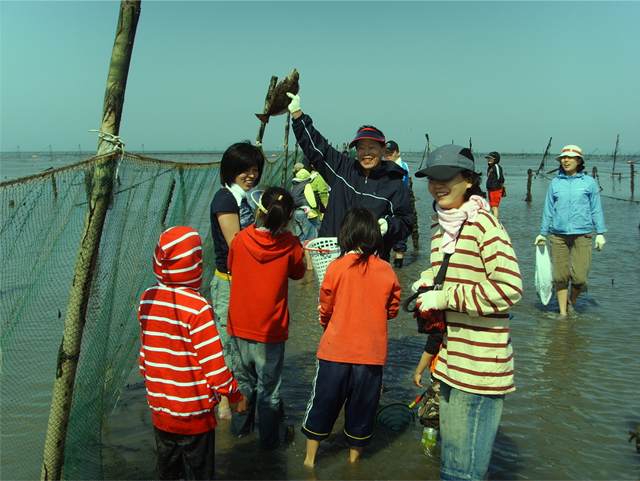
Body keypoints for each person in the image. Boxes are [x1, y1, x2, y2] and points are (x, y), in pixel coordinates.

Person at [412, 145, 523, 480]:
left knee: (461, 473)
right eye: (431, 178)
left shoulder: (484, 225)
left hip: (478, 368)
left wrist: (447, 297)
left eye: (446, 177)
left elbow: (510, 289)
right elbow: (446, 271)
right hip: (447, 363)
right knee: (452, 465)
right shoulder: (438, 227)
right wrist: (429, 280)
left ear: (470, 181)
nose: (437, 185)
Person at [139, 226, 247, 480]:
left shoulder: (147, 298)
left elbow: (145, 357)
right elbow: (215, 368)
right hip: (193, 414)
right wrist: (235, 395)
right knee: (199, 473)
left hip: (160, 409)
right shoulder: (198, 308)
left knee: (169, 471)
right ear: (195, 264)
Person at [301, 207, 401, 466]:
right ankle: (353, 463)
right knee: (362, 411)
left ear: (345, 234)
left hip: (335, 353)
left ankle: (310, 461)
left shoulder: (336, 267)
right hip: (371, 356)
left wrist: (329, 323)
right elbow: (392, 309)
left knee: (323, 405)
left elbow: (325, 308)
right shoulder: (386, 269)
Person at [287, 92, 414, 262]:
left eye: (372, 147)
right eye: (361, 148)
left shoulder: (395, 184)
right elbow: (318, 148)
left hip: (371, 262)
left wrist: (388, 226)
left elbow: (406, 222)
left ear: (384, 151)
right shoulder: (342, 169)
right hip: (333, 258)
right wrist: (298, 115)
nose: (366, 153)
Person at [227, 187, 307, 450]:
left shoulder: (240, 239)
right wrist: (296, 243)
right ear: (288, 219)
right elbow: (298, 273)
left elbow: (231, 265)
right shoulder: (290, 245)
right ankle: (269, 449)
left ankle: (239, 439)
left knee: (244, 386)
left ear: (259, 213)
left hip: (239, 326)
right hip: (270, 331)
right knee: (269, 392)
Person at [209, 141, 264, 419]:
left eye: (255, 169)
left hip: (245, 280)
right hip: (227, 281)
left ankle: (240, 391)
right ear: (230, 170)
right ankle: (223, 400)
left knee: (243, 339)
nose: (250, 175)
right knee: (226, 339)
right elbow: (235, 244)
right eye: (244, 169)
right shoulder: (225, 199)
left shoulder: (248, 197)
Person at [534, 144, 606, 316]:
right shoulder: (555, 183)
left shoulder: (589, 182)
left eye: (570, 157)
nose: (566, 160)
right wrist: (543, 233)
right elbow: (548, 209)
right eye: (563, 158)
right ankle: (563, 313)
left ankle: (570, 301)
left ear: (579, 161)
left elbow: (596, 209)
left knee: (580, 278)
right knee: (560, 277)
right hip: (558, 235)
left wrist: (600, 233)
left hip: (583, 234)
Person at [385, 140, 410, 267]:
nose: (388, 155)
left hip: (399, 204)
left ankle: (399, 269)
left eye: (391, 152)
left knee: (399, 238)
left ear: (397, 153)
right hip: (387, 205)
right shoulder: (384, 166)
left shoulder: (401, 167)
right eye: (386, 152)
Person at [291, 162, 319, 269]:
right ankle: (310, 265)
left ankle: (299, 263)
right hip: (305, 212)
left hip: (296, 212)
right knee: (310, 238)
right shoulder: (306, 185)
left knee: (301, 239)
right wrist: (313, 206)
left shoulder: (295, 184)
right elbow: (310, 198)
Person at [485, 151, 505, 218]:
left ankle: (495, 222)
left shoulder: (497, 167)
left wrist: (502, 188)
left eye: (490, 158)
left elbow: (500, 178)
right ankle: (494, 220)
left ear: (495, 159)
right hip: (490, 189)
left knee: (494, 207)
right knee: (492, 207)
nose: (488, 159)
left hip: (496, 189)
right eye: (488, 158)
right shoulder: (490, 167)